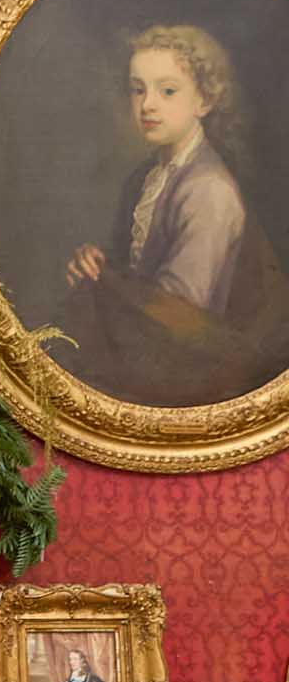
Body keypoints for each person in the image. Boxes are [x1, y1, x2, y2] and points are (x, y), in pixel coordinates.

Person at [64, 23, 285, 406]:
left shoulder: (207, 190)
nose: (148, 104)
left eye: (167, 91)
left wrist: (104, 286)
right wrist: (96, 267)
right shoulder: (148, 178)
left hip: (195, 374)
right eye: (138, 89)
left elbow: (179, 319)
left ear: (204, 100)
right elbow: (134, 276)